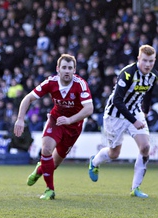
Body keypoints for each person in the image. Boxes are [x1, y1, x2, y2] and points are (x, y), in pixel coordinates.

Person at [14, 54, 93, 200]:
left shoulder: (80, 84)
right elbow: (28, 98)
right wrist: (20, 119)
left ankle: (39, 169)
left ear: (74, 70)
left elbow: (89, 108)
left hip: (73, 127)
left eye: (70, 68)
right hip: (56, 121)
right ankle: (49, 190)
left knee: (54, 164)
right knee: (46, 149)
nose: (67, 71)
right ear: (58, 69)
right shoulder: (51, 82)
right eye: (64, 67)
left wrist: (70, 120)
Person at [88, 45, 158, 198]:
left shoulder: (153, 76)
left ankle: (135, 188)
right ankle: (94, 162)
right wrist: (134, 121)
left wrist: (144, 112)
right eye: (145, 60)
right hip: (115, 115)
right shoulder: (127, 73)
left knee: (145, 147)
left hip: (135, 112)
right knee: (114, 154)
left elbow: (148, 94)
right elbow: (117, 101)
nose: (148, 64)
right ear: (138, 59)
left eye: (151, 61)